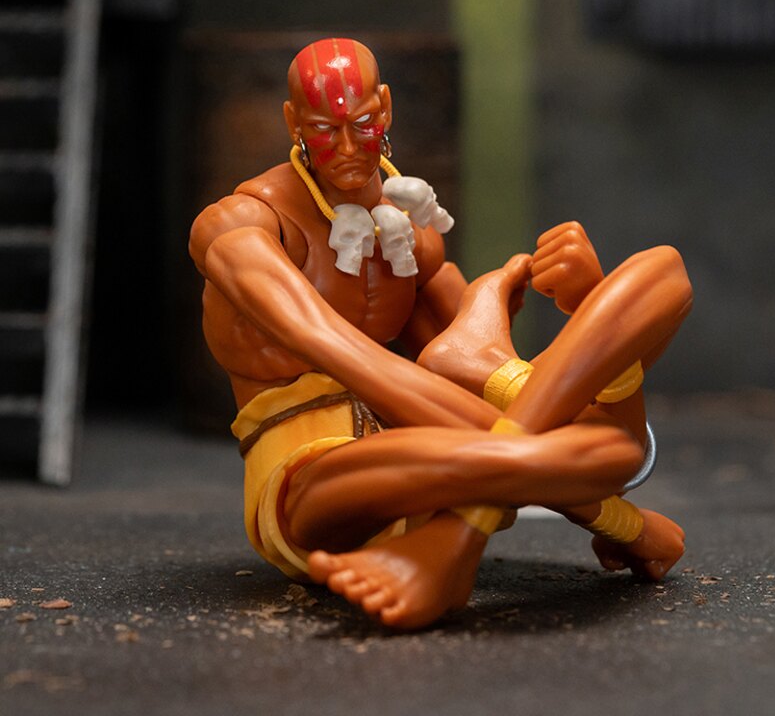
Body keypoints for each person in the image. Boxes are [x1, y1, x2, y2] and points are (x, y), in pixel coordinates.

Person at [189, 37, 693, 630]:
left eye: (363, 124)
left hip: (442, 451)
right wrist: (620, 518)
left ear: (386, 107)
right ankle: (533, 471)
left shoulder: (413, 238)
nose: (347, 148)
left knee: (662, 274)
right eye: (324, 130)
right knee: (491, 449)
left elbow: (512, 391)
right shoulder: (239, 225)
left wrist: (584, 301)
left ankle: (447, 546)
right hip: (313, 485)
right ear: (292, 122)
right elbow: (333, 347)